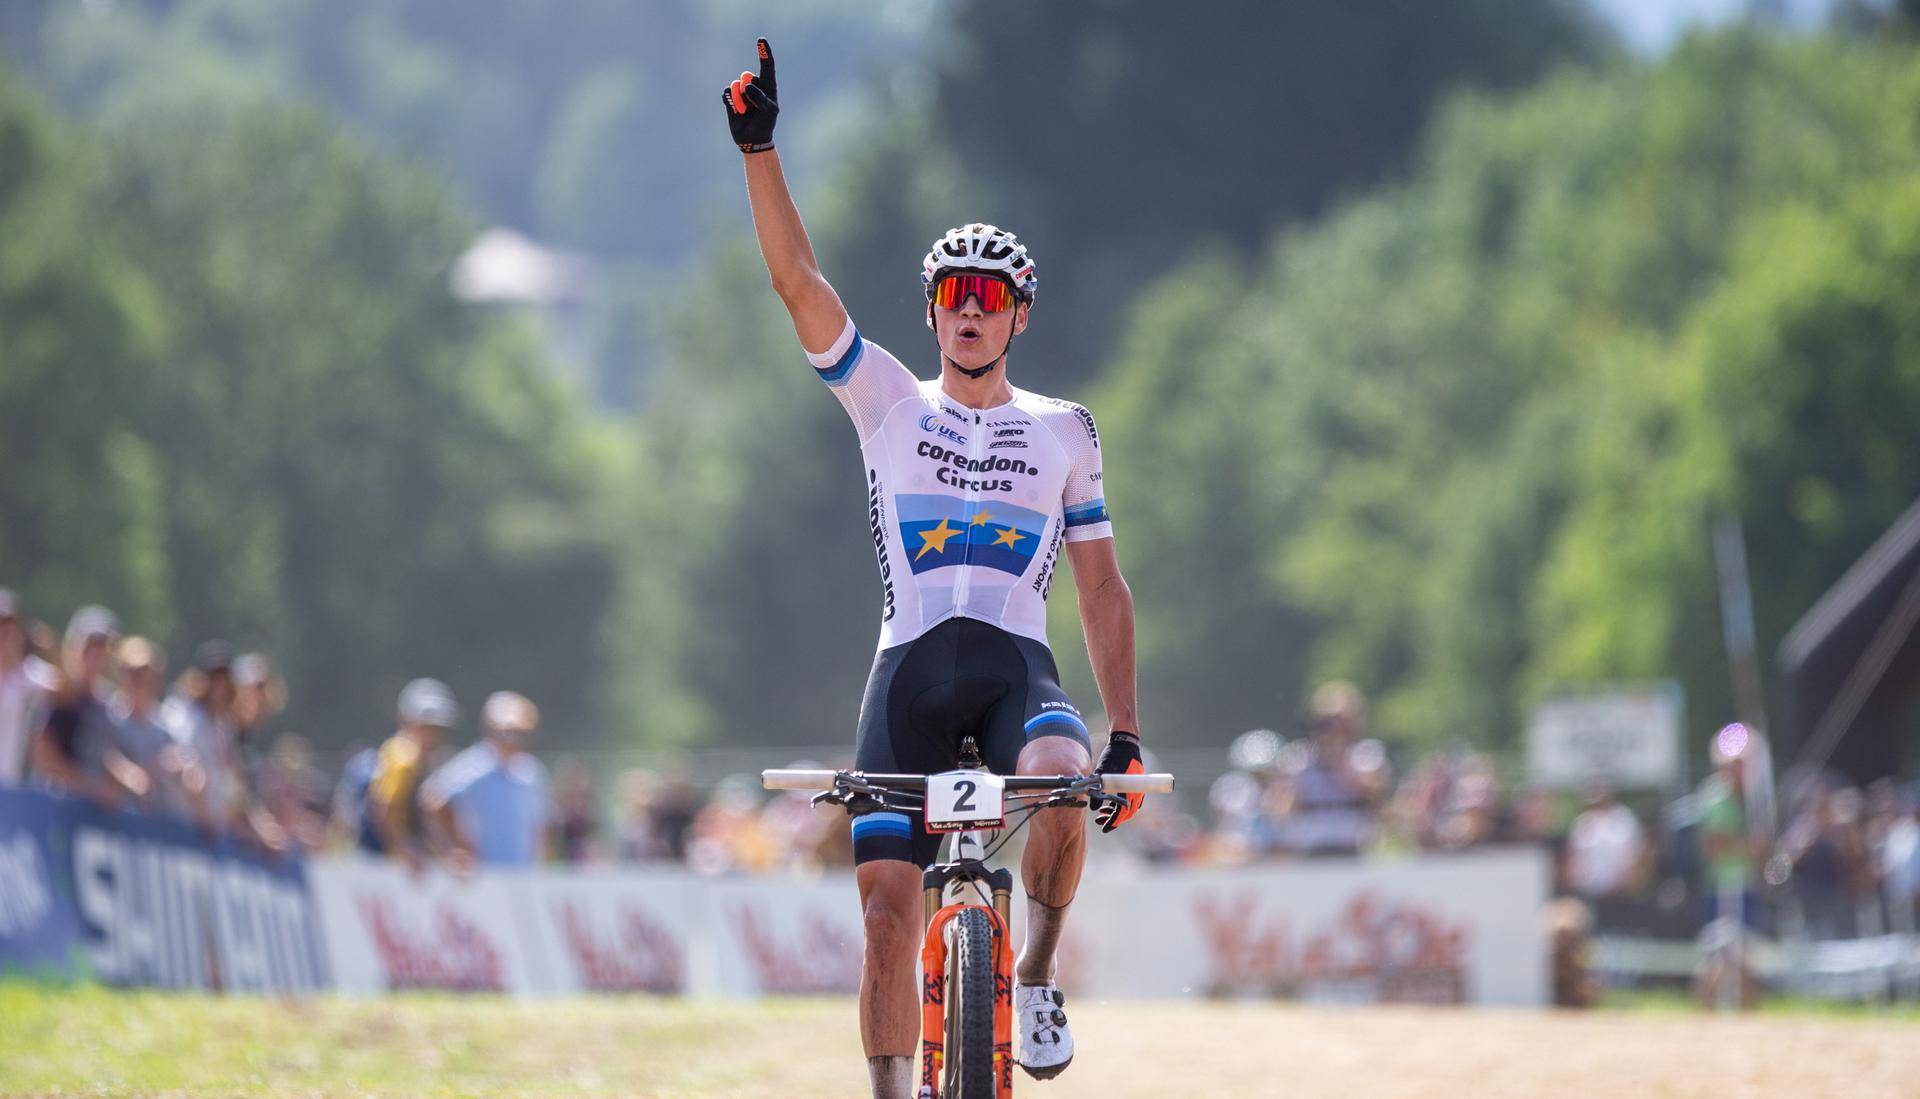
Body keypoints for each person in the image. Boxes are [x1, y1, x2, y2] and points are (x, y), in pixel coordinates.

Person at [725, 39, 1146, 1095]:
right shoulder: (888, 403)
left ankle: (1039, 973)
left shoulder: (1066, 431)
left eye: (990, 293)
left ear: (1019, 314)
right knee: (881, 918)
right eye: (953, 290)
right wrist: (759, 146)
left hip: (1018, 670)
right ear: (930, 310)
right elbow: (796, 283)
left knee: (1057, 779)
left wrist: (1127, 735)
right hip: (906, 672)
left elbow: (1099, 585)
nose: (970, 305)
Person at [420, 690, 552, 870]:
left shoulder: (532, 773)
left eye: (521, 733)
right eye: (508, 732)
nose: (513, 740)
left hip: (521, 876)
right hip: (481, 877)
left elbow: (541, 827)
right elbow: (433, 800)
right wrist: (454, 848)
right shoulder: (474, 765)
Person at [31, 606, 146, 809]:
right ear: (75, 648)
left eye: (102, 649)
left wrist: (125, 775)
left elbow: (101, 753)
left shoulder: (105, 704)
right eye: (90, 648)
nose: (96, 656)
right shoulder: (61, 694)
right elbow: (44, 758)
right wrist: (93, 789)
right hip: (53, 808)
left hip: (88, 817)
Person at [367, 677, 458, 871]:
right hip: (385, 863)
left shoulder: (421, 760)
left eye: (437, 729)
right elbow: (384, 810)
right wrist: (404, 850)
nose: (433, 735)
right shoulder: (402, 756)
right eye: (427, 727)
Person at [0, 589, 56, 787]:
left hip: (17, 788)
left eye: (9, 629)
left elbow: (67, 692)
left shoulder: (32, 674)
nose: (5, 636)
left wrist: (51, 652)